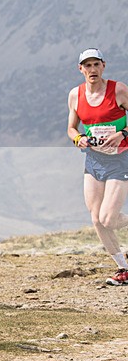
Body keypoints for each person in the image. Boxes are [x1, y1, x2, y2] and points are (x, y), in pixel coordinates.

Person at [68, 47, 128, 286]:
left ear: (103, 66)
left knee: (108, 219)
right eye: (87, 65)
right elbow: (71, 128)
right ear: (80, 69)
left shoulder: (119, 90)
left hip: (120, 158)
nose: (92, 69)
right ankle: (123, 269)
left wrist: (122, 132)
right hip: (94, 160)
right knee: (96, 220)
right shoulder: (75, 95)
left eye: (96, 65)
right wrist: (78, 138)